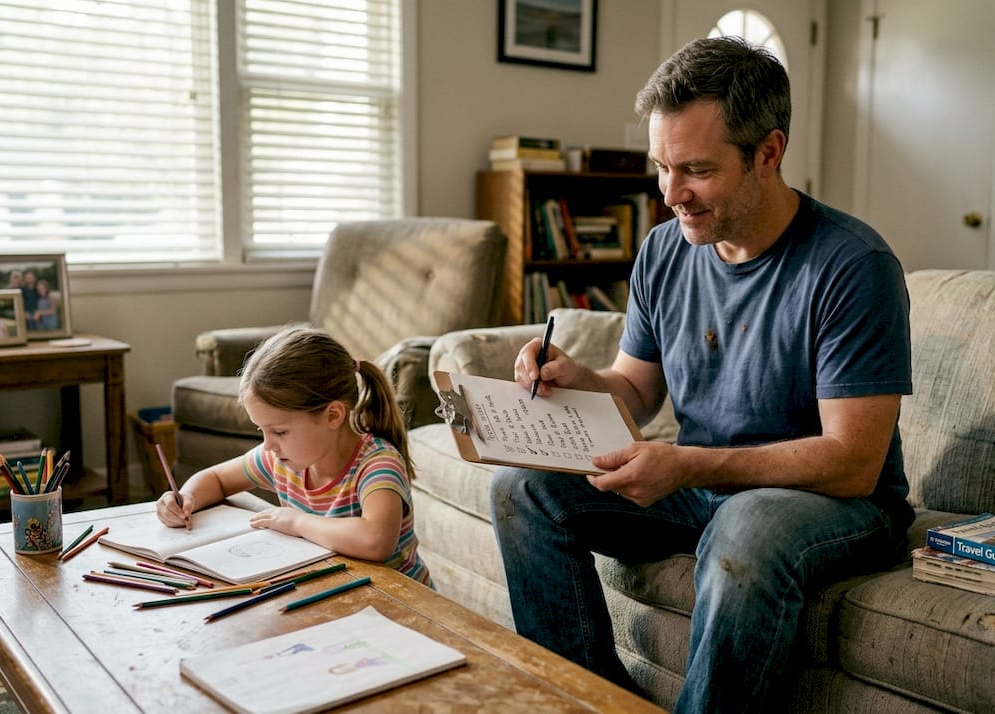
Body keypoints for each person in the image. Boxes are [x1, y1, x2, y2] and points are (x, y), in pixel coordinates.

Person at [489, 36, 913, 713]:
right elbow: (635, 389)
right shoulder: (666, 250)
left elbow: (852, 462)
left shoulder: (852, 265)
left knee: (748, 531)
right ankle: (587, 700)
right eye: (661, 167)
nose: (671, 194)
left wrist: (685, 465)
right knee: (522, 488)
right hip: (705, 485)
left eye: (695, 170)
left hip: (832, 505)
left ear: (768, 153)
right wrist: (579, 379)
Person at [155, 325, 431, 586]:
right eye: (262, 430)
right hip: (336, 590)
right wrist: (187, 498)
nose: (268, 446)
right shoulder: (281, 459)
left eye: (279, 432)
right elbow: (216, 478)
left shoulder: (377, 464)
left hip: (402, 604)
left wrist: (298, 522)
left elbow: (376, 540)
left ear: (332, 416)